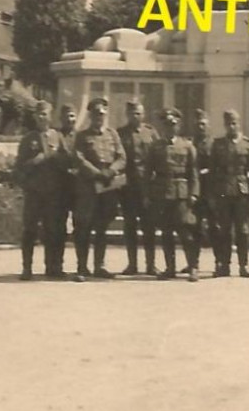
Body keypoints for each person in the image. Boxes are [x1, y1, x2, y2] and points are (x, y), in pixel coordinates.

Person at [73, 97, 126, 281]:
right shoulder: (82, 136)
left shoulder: (112, 135)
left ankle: (100, 266)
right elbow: (79, 159)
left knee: (102, 227)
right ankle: (82, 267)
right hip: (89, 187)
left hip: (108, 187)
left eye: (102, 114)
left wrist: (111, 171)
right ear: (90, 115)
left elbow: (121, 157)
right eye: (96, 114)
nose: (99, 118)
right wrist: (97, 173)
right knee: (84, 227)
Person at [148, 107, 199, 281]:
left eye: (173, 125)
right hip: (162, 193)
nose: (170, 128)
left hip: (181, 194)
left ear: (178, 126)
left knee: (185, 232)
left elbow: (193, 174)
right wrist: (150, 194)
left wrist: (194, 194)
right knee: (166, 232)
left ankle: (193, 267)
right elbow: (148, 172)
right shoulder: (155, 147)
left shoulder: (187, 146)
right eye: (167, 125)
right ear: (162, 127)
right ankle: (170, 268)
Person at [14, 100, 64, 281]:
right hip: (35, 192)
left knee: (52, 230)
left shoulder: (57, 137)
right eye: (39, 114)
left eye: (45, 114)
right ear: (35, 117)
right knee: (30, 230)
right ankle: (27, 267)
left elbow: (66, 161)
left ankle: (52, 267)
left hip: (52, 192)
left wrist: (58, 158)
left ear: (51, 116)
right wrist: (38, 159)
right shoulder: (29, 139)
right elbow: (19, 166)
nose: (42, 117)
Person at [210, 109, 249, 278]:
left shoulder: (247, 144)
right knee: (224, 230)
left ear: (239, 124)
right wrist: (213, 194)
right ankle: (224, 265)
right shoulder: (218, 145)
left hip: (241, 193)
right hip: (223, 192)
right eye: (228, 124)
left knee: (243, 230)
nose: (232, 126)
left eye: (234, 123)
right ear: (225, 125)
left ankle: (243, 265)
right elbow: (213, 171)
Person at [117, 98, 159, 276]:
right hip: (128, 187)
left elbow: (159, 155)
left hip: (147, 186)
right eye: (133, 113)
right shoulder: (120, 134)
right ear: (127, 114)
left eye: (139, 113)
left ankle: (151, 264)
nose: (136, 116)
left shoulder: (151, 133)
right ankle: (132, 264)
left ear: (144, 114)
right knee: (130, 225)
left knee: (149, 226)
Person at [185, 107, 220, 276]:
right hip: (194, 192)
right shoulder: (189, 144)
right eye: (198, 124)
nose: (201, 127)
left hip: (211, 191)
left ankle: (219, 262)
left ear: (209, 125)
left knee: (215, 227)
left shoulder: (215, 144)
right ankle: (193, 264)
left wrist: (207, 172)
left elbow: (220, 167)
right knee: (194, 228)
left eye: (204, 124)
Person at [55, 103, 80, 278]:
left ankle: (82, 266)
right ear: (60, 118)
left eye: (72, 116)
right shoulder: (54, 136)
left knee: (80, 226)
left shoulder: (81, 136)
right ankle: (56, 265)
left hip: (78, 187)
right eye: (66, 116)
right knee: (58, 228)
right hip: (60, 186)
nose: (69, 120)